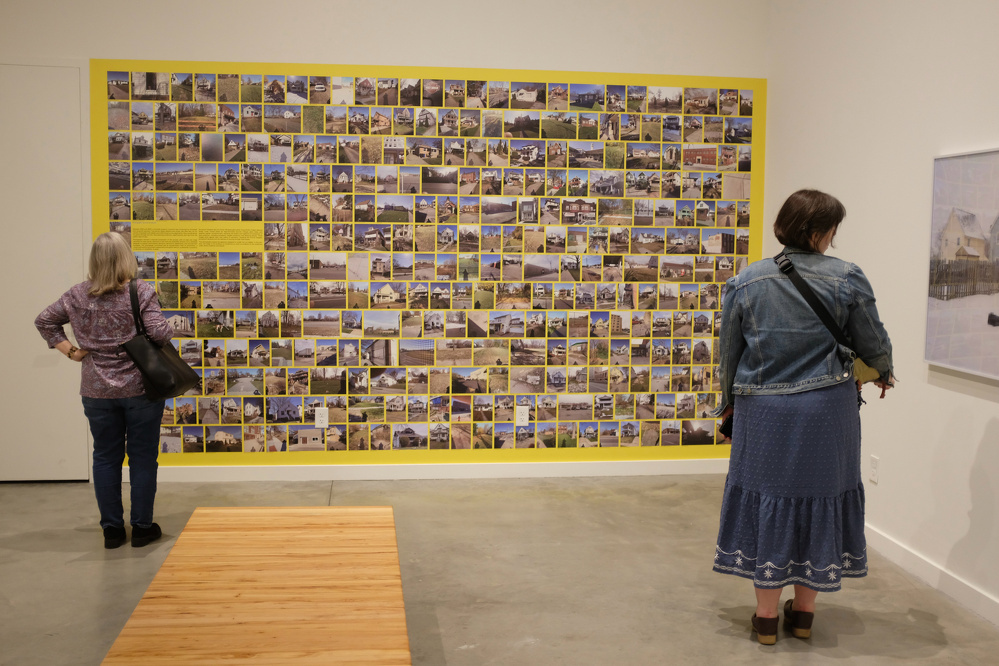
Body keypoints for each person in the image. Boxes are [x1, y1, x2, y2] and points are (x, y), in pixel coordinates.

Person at [712, 190, 894, 645]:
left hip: (764, 411)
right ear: (818, 232)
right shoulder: (848, 277)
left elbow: (728, 354)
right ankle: (805, 616)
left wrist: (727, 401)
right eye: (832, 230)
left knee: (765, 501)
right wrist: (884, 372)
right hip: (826, 410)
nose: (834, 239)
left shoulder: (747, 280)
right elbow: (872, 339)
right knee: (821, 501)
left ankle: (767, 619)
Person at [35, 232, 174, 550]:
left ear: (94, 260)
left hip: (96, 390)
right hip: (140, 388)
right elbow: (159, 333)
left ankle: (112, 530)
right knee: (142, 458)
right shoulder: (141, 291)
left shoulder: (76, 295)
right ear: (126, 258)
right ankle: (141, 528)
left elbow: (45, 321)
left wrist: (71, 351)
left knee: (105, 457)